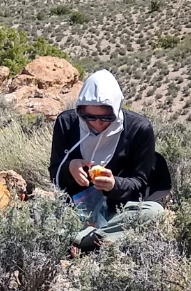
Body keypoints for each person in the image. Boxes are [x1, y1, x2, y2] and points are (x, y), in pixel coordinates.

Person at [49, 69, 167, 249]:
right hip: (74, 208)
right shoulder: (66, 123)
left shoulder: (139, 129)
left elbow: (141, 182)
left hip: (116, 210)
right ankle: (94, 240)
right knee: (35, 210)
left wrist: (114, 185)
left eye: (106, 117)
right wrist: (69, 168)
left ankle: (88, 239)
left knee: (154, 212)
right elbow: (55, 176)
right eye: (90, 117)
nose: (98, 123)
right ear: (80, 110)